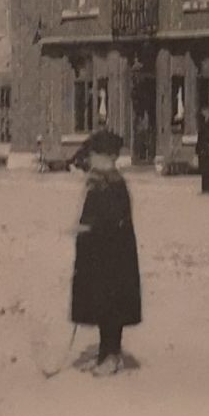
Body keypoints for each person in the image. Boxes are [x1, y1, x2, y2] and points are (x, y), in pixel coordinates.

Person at [70, 129, 141, 374]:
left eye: (96, 156)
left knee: (113, 305)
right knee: (101, 303)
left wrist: (89, 227)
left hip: (114, 256)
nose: (92, 161)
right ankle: (104, 353)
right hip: (98, 255)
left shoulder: (114, 184)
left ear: (109, 157)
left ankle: (113, 354)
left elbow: (113, 221)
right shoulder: (98, 182)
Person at [194, 104, 209, 196]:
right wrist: (197, 150)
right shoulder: (203, 122)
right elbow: (200, 137)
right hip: (202, 148)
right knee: (204, 168)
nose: (202, 113)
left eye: (204, 111)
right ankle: (204, 189)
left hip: (208, 148)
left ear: (208, 112)